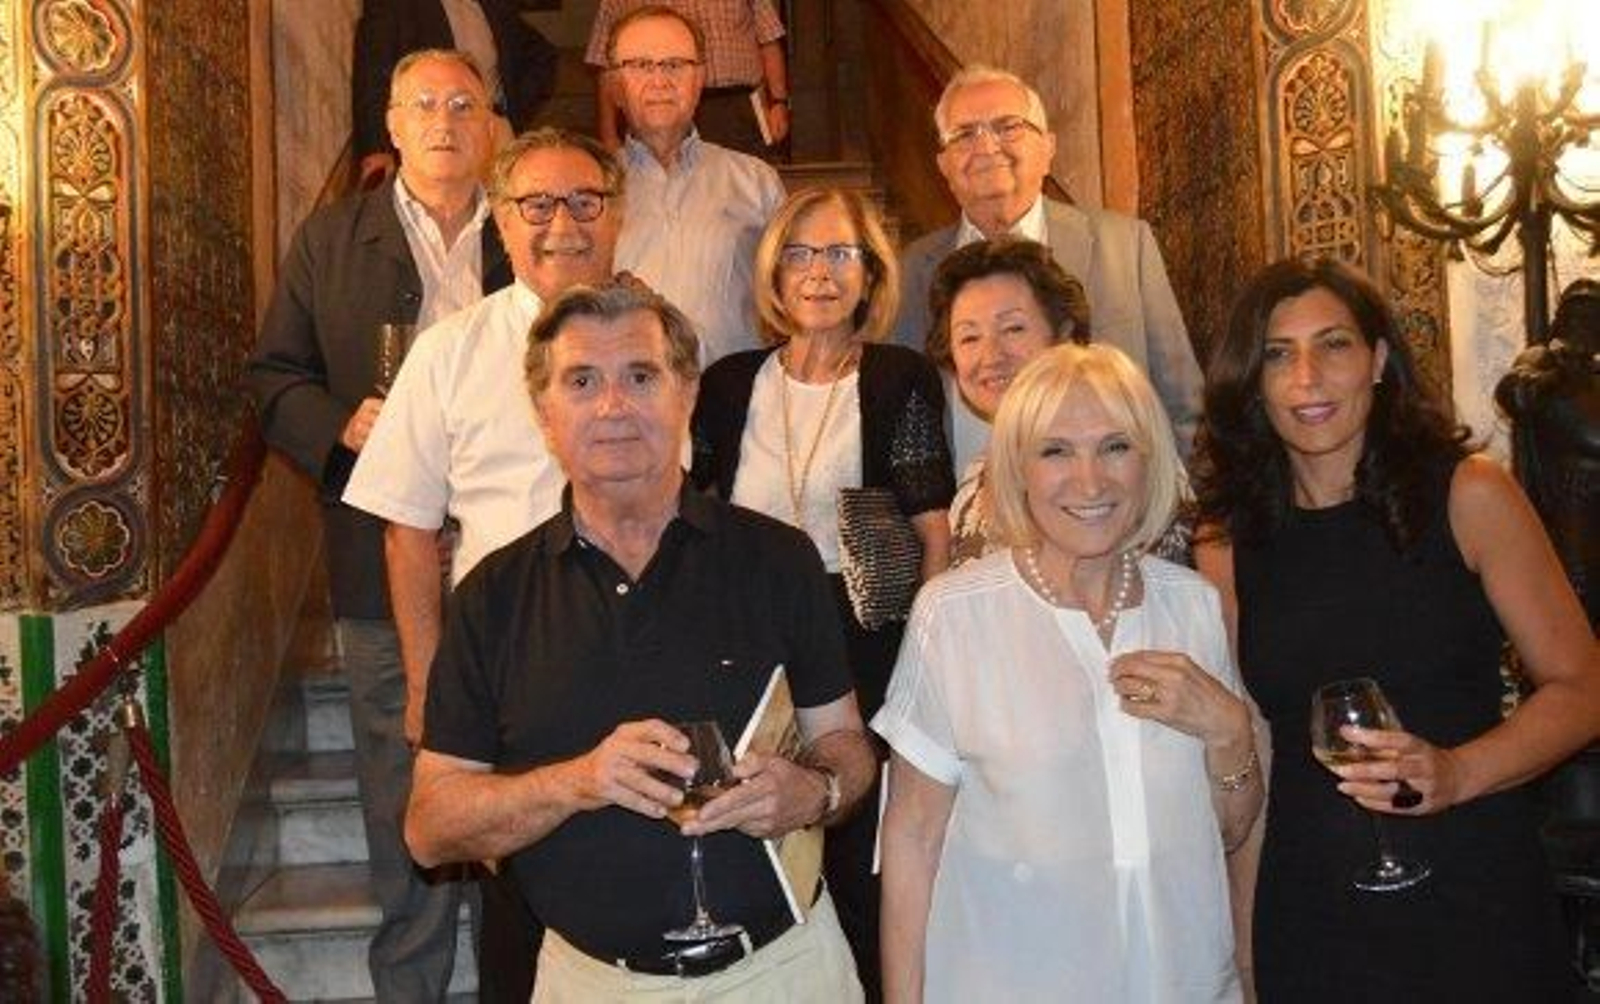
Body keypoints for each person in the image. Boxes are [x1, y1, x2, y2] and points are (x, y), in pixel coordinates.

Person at [405, 278, 876, 1002]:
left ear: (685, 393)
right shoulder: (491, 599)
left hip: (788, 974)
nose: (613, 405)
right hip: (591, 985)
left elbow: (846, 744)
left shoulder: (778, 559)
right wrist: (580, 782)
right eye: (582, 381)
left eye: (641, 376)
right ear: (544, 413)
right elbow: (430, 829)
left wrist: (814, 790)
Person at [1192, 257, 1600, 1002]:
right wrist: (1247, 952)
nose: (1307, 376)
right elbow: (1250, 747)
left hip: (1474, 890)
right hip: (1311, 910)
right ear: (1252, 381)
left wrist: (1459, 772)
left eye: (1335, 345)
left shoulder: (1469, 493)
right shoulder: (1225, 540)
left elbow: (1583, 687)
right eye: (1278, 354)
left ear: (1378, 361)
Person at [875, 342, 1260, 1003]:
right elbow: (911, 838)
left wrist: (1229, 732)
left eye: (1115, 447)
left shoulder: (1192, 605)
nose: (1090, 481)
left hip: (1182, 980)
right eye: (1056, 451)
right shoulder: (955, 613)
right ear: (1017, 469)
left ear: (1150, 463)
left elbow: (1228, 830)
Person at [344, 126, 626, 1000]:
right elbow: (408, 531)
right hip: (500, 666)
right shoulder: (448, 351)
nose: (562, 224)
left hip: (633, 643)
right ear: (500, 221)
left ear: (618, 216)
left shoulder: (660, 342)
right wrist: (431, 687)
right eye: (535, 204)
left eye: (585, 201)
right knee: (519, 895)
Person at [247, 48, 502, 1001]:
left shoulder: (526, 234)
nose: (444, 121)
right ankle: (413, 984)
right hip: (376, 561)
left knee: (526, 766)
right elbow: (275, 377)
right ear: (391, 125)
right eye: (423, 105)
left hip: (509, 556)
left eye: (463, 104)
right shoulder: (330, 238)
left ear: (490, 125)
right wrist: (339, 427)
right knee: (403, 780)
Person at [691, 187, 954, 999]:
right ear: (775, 272)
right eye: (801, 253)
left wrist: (924, 656)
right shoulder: (730, 382)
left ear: (870, 274)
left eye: (842, 254)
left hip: (866, 637)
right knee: (757, 836)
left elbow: (933, 529)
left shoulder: (898, 376)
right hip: (748, 636)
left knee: (857, 852)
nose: (820, 273)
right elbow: (694, 515)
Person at [893, 65, 1202, 462]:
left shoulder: (1125, 247)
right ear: (944, 164)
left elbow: (1182, 404)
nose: (987, 147)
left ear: (1048, 148)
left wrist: (1181, 513)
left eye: (1008, 126)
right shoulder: (909, 269)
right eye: (965, 134)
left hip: (1112, 506)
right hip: (965, 515)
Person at [603, 5, 785, 364]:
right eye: (640, 65)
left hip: (736, 404)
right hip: (624, 403)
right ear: (614, 86)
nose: (660, 80)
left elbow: (790, 303)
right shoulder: (588, 191)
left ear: (699, 78)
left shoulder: (756, 182)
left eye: (675, 64)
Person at [922, 237, 1089, 566]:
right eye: (969, 337)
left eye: (1013, 328)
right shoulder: (974, 486)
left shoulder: (1115, 456)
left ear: (1064, 336)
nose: (991, 356)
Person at [353, 0, 558, 188]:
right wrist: (376, 148)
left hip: (494, 130)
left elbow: (541, 54)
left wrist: (512, 113)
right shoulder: (394, 6)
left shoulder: (493, 4)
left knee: (503, 215)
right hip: (437, 137)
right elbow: (372, 74)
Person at [1495, 277, 1600, 628]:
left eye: (1594, 318)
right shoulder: (1544, 360)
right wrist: (1557, 372)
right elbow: (1516, 394)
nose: (1586, 327)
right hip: (1571, 496)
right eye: (1579, 317)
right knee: (1575, 591)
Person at [587, 0, 790, 158]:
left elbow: (768, 39)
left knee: (743, 184)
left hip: (738, 105)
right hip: (660, 106)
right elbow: (607, 66)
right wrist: (609, 133)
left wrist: (778, 102)